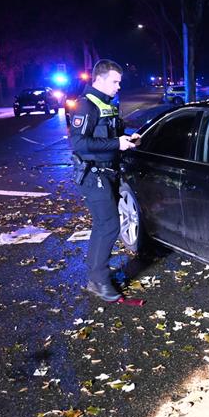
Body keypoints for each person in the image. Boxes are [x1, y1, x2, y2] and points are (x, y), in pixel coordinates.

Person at [70, 59, 139, 302]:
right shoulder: (86, 106)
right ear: (98, 80)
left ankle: (96, 277)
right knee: (109, 225)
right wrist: (116, 143)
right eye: (114, 81)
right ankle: (98, 281)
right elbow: (78, 143)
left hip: (108, 172)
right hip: (93, 174)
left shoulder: (107, 104)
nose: (118, 86)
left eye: (119, 81)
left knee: (104, 225)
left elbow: (109, 134)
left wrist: (127, 138)